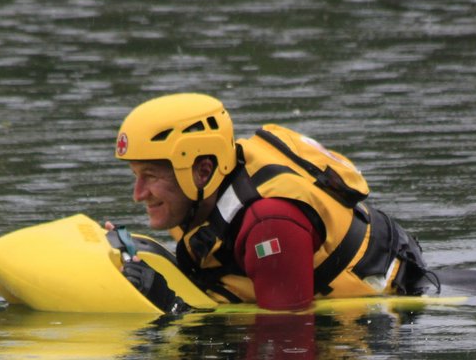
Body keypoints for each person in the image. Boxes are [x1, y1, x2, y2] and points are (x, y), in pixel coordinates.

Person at [112, 93, 431, 313]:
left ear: (202, 170)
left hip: (376, 324)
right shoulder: (204, 190)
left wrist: (171, 306)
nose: (138, 194)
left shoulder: (269, 225)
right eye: (136, 176)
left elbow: (286, 343)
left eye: (151, 177)